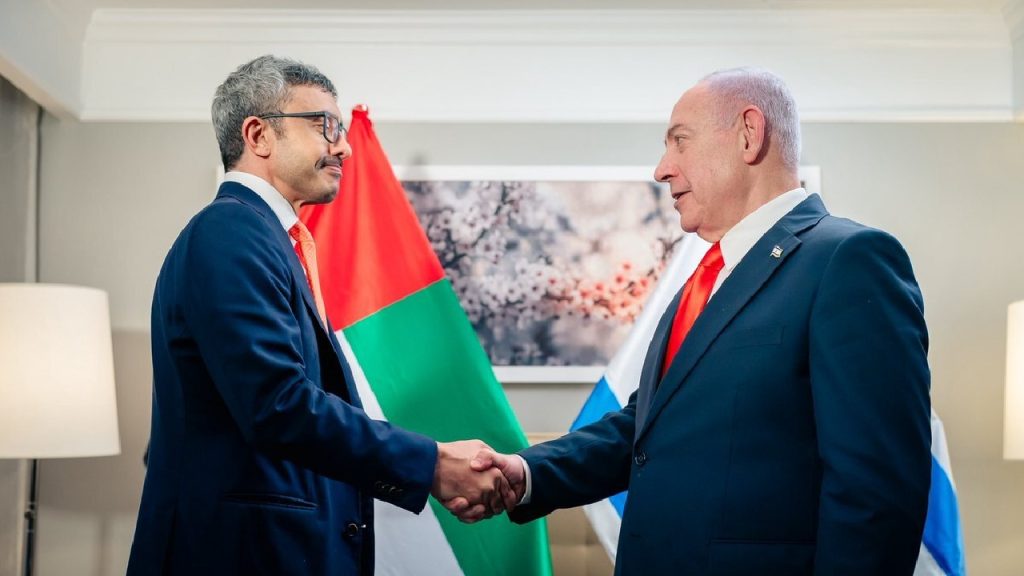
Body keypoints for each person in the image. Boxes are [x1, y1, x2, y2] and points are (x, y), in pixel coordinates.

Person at [466, 67, 932, 575]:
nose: (662, 169)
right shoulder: (708, 277)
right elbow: (646, 429)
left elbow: (876, 496)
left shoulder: (849, 260)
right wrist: (527, 471)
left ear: (748, 134)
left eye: (679, 142)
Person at [126, 55, 507, 576]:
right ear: (259, 135)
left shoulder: (270, 239)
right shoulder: (230, 234)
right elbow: (277, 405)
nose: (344, 146)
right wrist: (432, 464)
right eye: (325, 125)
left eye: (344, 129)